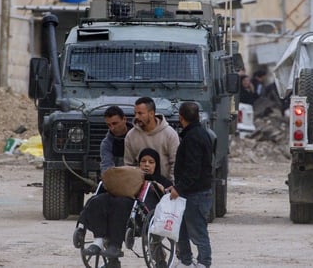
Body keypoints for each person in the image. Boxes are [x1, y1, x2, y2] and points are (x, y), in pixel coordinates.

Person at [77, 148, 173, 265]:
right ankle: (98, 242)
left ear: (156, 165)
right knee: (98, 200)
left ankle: (115, 246)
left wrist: (157, 185)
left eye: (151, 162)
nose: (146, 165)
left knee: (121, 203)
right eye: (143, 161)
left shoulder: (162, 181)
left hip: (140, 213)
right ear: (138, 163)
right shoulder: (129, 177)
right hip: (121, 205)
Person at [167, 101, 213, 268]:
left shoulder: (192, 137)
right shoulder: (201, 133)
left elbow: (193, 169)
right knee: (182, 229)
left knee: (198, 232)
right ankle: (185, 261)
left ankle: (203, 262)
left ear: (180, 117)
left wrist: (179, 187)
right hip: (194, 192)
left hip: (195, 193)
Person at [124, 96, 180, 180]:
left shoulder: (169, 134)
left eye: (140, 113)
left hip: (165, 186)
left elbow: (176, 163)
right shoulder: (131, 136)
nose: (136, 117)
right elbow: (128, 165)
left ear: (151, 113)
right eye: (135, 113)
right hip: (139, 185)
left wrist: (171, 185)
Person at [100, 106, 133, 174]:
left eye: (115, 123)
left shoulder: (138, 137)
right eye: (109, 125)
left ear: (124, 119)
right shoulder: (106, 144)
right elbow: (106, 167)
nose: (112, 128)